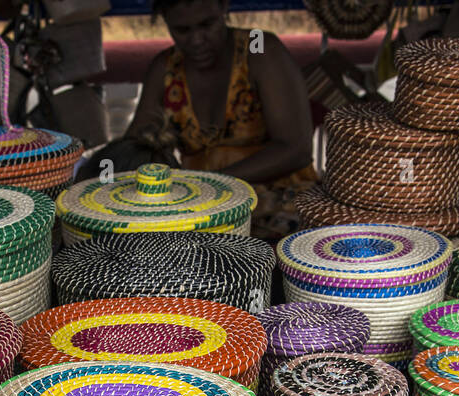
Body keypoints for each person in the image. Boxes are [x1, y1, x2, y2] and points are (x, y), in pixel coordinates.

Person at [125, 0, 318, 240]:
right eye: (182, 30)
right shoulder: (164, 69)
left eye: (207, 24)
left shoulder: (259, 49)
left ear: (224, 7)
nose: (196, 40)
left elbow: (296, 149)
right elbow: (134, 148)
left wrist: (211, 185)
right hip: (202, 209)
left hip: (279, 201)